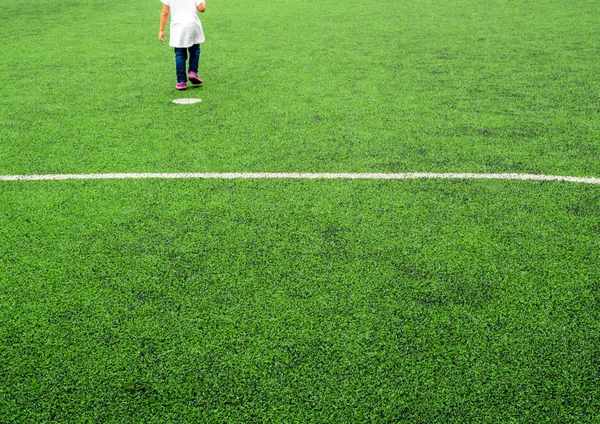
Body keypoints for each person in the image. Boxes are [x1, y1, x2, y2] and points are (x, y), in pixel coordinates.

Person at [159, 0, 206, 90]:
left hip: (178, 27)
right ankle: (192, 72)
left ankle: (181, 81)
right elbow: (201, 9)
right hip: (192, 25)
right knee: (195, 49)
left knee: (180, 54)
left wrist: (161, 30)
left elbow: (165, 12)